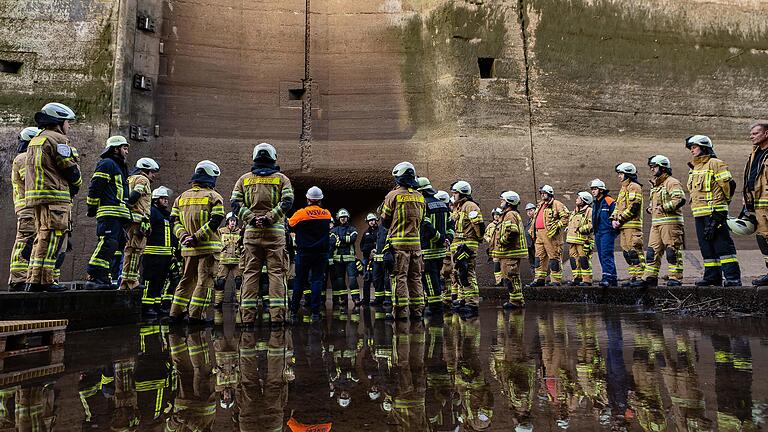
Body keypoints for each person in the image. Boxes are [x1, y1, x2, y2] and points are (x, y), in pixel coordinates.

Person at [231, 143, 294, 327]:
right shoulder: (282, 179)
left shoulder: (244, 180)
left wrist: (251, 218)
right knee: (276, 274)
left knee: (250, 274)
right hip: (275, 234)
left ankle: (247, 319)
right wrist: (269, 218)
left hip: (251, 234)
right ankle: (277, 318)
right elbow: (287, 202)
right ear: (274, 158)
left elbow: (235, 204)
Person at [24, 103, 81, 293]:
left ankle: (33, 279)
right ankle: (47, 280)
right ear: (58, 122)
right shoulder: (58, 140)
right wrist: (77, 183)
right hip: (55, 197)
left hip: (37, 197)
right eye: (68, 122)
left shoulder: (36, 140)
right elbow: (70, 169)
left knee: (41, 237)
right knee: (54, 238)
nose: (69, 126)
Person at [169, 160, 225, 324]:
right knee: (204, 282)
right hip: (207, 249)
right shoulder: (214, 196)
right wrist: (196, 237)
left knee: (186, 280)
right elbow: (216, 220)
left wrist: (184, 237)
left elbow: (174, 222)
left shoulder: (181, 198)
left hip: (187, 249)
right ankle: (196, 316)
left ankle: (175, 314)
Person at [686, 135, 741, 286]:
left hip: (715, 212)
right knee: (706, 247)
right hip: (699, 214)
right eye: (691, 147)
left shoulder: (716, 163)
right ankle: (712, 277)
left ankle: (732, 278)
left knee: (722, 245)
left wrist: (721, 210)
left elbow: (729, 186)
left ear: (704, 147)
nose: (692, 150)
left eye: (694, 147)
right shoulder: (694, 167)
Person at [85, 136, 131, 290]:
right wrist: (91, 207)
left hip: (119, 214)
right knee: (107, 242)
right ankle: (94, 275)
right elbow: (96, 186)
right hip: (109, 212)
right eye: (124, 148)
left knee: (114, 246)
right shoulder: (106, 164)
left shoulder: (120, 167)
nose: (126, 151)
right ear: (115, 149)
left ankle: (104, 277)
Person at [380, 162, 426, 320]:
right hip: (416, 246)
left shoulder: (393, 196)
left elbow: (385, 220)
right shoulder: (420, 197)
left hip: (399, 246)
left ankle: (401, 313)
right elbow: (422, 219)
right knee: (415, 277)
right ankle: (417, 312)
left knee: (400, 277)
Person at [288, 186, 332, 321]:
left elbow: (289, 224)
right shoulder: (327, 214)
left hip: (304, 253)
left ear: (307, 199)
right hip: (320, 253)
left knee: (299, 282)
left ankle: (294, 312)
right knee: (317, 281)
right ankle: (315, 313)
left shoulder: (301, 214)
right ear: (320, 200)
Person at [642, 155, 686, 287]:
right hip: (656, 223)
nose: (651, 170)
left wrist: (663, 208)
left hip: (670, 223)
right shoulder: (655, 185)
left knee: (672, 251)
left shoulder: (672, 182)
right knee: (651, 252)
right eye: (651, 167)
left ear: (663, 167)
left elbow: (679, 199)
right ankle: (650, 277)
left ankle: (675, 278)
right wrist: (651, 208)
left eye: (654, 167)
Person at [8, 127, 41, 292]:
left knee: (32, 242)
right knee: (25, 241)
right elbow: (31, 180)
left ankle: (24, 277)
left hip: (32, 207)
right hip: (27, 207)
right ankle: (18, 279)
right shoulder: (23, 158)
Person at [120, 157, 160, 290]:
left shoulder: (129, 178)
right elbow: (134, 195)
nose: (153, 175)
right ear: (145, 171)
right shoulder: (143, 180)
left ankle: (125, 281)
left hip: (130, 220)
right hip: (137, 221)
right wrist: (132, 208)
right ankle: (132, 281)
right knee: (136, 250)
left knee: (129, 249)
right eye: (152, 172)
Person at [417, 177, 453, 315]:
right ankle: (436, 305)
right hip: (440, 251)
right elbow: (451, 224)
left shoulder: (423, 205)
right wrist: (448, 239)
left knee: (429, 279)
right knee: (436, 277)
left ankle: (435, 307)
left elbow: (426, 225)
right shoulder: (442, 204)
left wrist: (439, 238)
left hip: (428, 250)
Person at [140, 186, 177, 316]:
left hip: (165, 255)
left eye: (167, 198)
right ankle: (146, 306)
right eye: (163, 198)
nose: (166, 201)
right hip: (152, 254)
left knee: (160, 281)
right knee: (149, 280)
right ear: (155, 200)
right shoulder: (152, 212)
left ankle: (156, 305)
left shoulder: (167, 215)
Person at [449, 180, 484, 316]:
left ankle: (472, 303)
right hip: (457, 246)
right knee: (459, 274)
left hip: (467, 246)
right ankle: (463, 300)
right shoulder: (457, 207)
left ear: (462, 193)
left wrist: (476, 241)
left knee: (467, 273)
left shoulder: (471, 206)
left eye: (455, 192)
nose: (453, 195)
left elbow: (479, 226)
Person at [611, 163, 646, 287]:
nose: (619, 176)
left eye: (621, 174)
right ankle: (634, 276)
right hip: (623, 226)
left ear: (628, 174)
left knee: (635, 252)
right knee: (627, 253)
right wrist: (613, 219)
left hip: (632, 226)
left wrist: (619, 220)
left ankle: (641, 277)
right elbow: (617, 207)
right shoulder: (623, 188)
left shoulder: (634, 187)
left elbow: (634, 207)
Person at [493, 191, 528, 308]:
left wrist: (502, 241)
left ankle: (516, 301)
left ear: (509, 202)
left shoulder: (510, 214)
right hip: (508, 253)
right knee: (510, 277)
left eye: (503, 200)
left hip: (511, 252)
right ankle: (515, 300)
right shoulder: (508, 214)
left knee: (511, 277)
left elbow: (512, 231)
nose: (501, 202)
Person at [529, 185, 568, 286]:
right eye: (541, 193)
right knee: (539, 258)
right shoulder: (540, 205)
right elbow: (535, 220)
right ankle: (539, 279)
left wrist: (556, 226)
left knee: (554, 257)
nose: (542, 195)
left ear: (550, 193)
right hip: (539, 235)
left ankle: (555, 280)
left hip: (551, 236)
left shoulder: (557, 204)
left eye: (544, 193)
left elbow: (566, 217)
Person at [743, 122, 768, 286]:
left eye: (755, 133)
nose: (752, 136)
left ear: (766, 134)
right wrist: (746, 199)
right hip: (758, 204)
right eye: (751, 133)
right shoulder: (754, 154)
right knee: (763, 238)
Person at [590, 179, 618, 287]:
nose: (593, 191)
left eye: (595, 189)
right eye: (592, 189)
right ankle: (612, 278)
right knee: (602, 255)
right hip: (598, 232)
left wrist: (614, 229)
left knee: (606, 254)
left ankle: (606, 277)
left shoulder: (609, 201)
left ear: (601, 190)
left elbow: (615, 215)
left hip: (607, 231)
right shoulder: (595, 203)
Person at [330, 209, 360, 308]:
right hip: (338, 259)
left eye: (345, 217)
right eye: (341, 217)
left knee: (352, 280)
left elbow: (352, 239)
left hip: (350, 259)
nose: (343, 219)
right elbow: (333, 242)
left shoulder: (353, 229)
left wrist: (340, 239)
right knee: (340, 281)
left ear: (348, 218)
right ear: (338, 218)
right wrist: (344, 239)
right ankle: (343, 299)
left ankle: (356, 298)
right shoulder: (334, 230)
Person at [214, 213, 243, 308]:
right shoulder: (221, 231)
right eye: (231, 220)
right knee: (220, 282)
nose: (233, 222)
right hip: (224, 261)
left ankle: (240, 302)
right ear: (227, 221)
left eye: (234, 220)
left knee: (239, 281)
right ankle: (218, 303)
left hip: (236, 262)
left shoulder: (240, 232)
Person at [566, 191, 594, 286]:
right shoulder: (575, 211)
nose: (576, 199)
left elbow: (591, 225)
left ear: (584, 200)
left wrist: (581, 229)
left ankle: (587, 280)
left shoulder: (589, 211)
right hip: (572, 241)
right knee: (574, 260)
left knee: (584, 260)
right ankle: (577, 278)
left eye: (579, 198)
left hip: (583, 241)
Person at [359, 213, 379, 305]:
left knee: (376, 278)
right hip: (367, 259)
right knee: (366, 279)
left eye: (373, 220)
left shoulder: (380, 231)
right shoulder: (366, 232)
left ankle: (378, 299)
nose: (371, 222)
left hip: (376, 259)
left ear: (376, 220)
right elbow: (362, 245)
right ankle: (366, 299)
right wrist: (367, 250)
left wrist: (374, 250)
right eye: (370, 221)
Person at [484, 208, 503, 286]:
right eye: (495, 215)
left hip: (502, 247)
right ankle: (498, 281)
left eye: (498, 215)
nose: (496, 216)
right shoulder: (490, 225)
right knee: (496, 265)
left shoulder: (503, 224)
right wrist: (489, 240)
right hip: (494, 248)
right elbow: (485, 235)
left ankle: (504, 279)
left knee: (504, 264)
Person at [524, 203, 536, 275]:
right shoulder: (529, 220)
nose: (529, 212)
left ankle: (538, 278)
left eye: (531, 210)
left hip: (535, 244)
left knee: (537, 261)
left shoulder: (536, 220)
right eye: (527, 211)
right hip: (529, 245)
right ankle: (534, 277)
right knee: (532, 262)